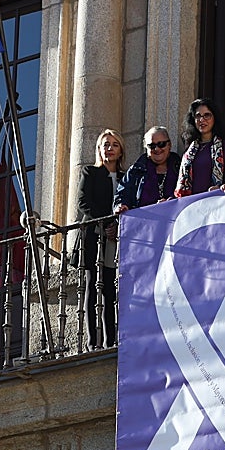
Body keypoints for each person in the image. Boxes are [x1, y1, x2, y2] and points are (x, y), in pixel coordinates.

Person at [74, 129, 125, 348]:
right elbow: (83, 203)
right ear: (99, 149)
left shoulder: (126, 176)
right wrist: (106, 224)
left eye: (114, 144)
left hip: (117, 239)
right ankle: (93, 341)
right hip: (94, 235)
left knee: (112, 289)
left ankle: (111, 339)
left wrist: (118, 227)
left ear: (121, 149)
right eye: (106, 144)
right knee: (93, 286)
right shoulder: (90, 173)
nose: (110, 148)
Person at [174, 97, 225, 197]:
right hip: (192, 206)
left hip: (217, 203)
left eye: (207, 115)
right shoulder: (191, 149)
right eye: (198, 116)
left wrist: (223, 187)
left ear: (215, 118)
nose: (201, 120)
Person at [115, 126, 180, 212]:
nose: (157, 149)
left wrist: (171, 203)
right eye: (152, 146)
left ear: (169, 145)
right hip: (144, 223)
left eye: (161, 144)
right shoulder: (136, 170)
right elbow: (122, 194)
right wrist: (121, 206)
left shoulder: (181, 168)